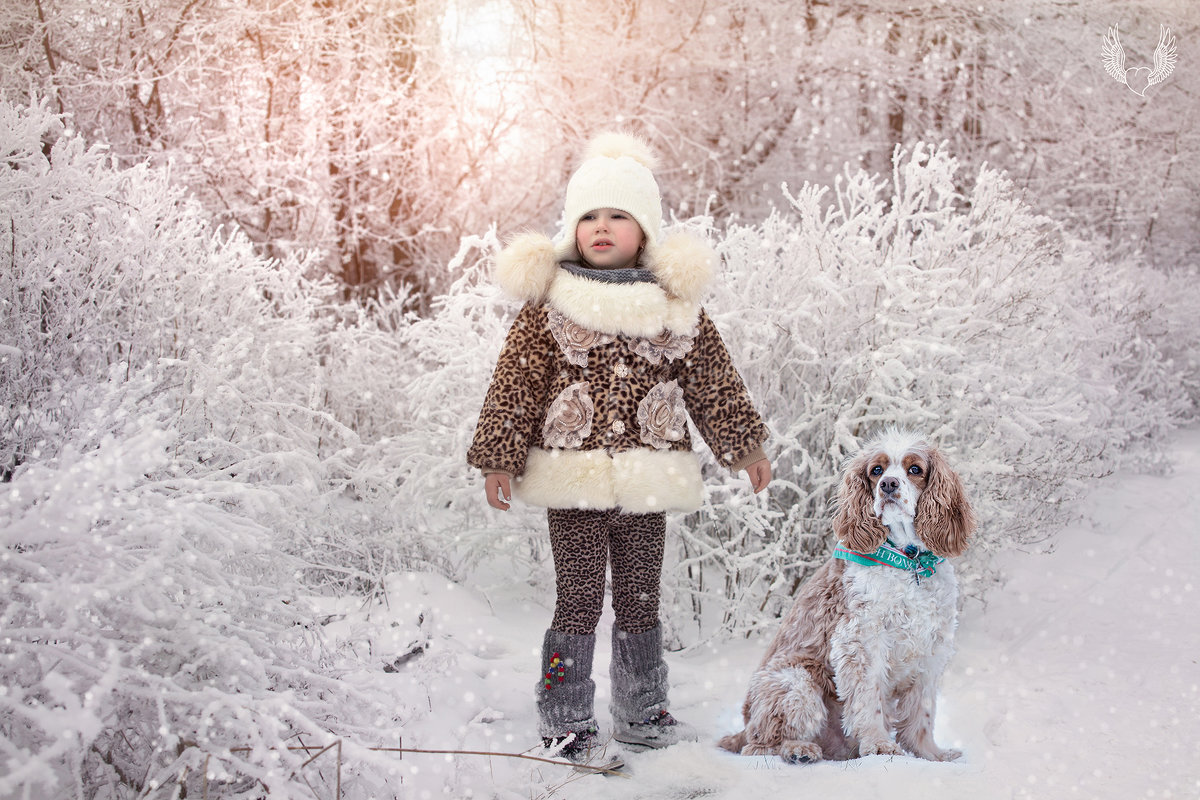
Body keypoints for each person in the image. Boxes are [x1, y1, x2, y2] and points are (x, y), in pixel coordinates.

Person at [467, 131, 771, 763]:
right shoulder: (548, 306)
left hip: (649, 477)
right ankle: (564, 719)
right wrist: (500, 455)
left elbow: (711, 379)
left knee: (639, 595)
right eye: (589, 217)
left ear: (645, 231)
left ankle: (643, 711)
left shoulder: (672, 307)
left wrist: (743, 446)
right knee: (577, 597)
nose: (601, 228)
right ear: (572, 230)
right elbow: (515, 386)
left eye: (618, 216)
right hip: (572, 479)